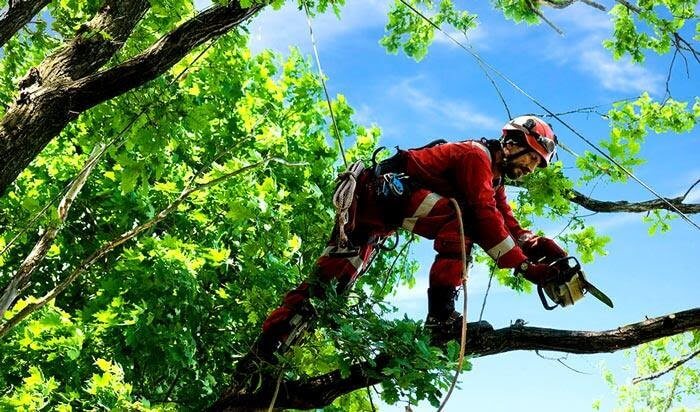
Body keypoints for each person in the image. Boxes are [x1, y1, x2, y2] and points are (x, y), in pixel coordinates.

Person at [247, 115, 569, 365]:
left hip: (376, 215)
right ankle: (440, 318)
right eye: (532, 157)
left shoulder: (494, 182)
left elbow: (506, 223)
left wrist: (536, 244)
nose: (531, 168)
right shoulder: (476, 158)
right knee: (466, 219)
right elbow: (485, 218)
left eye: (538, 164)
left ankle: (265, 351)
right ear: (512, 143)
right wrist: (525, 268)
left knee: (328, 287)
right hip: (380, 197)